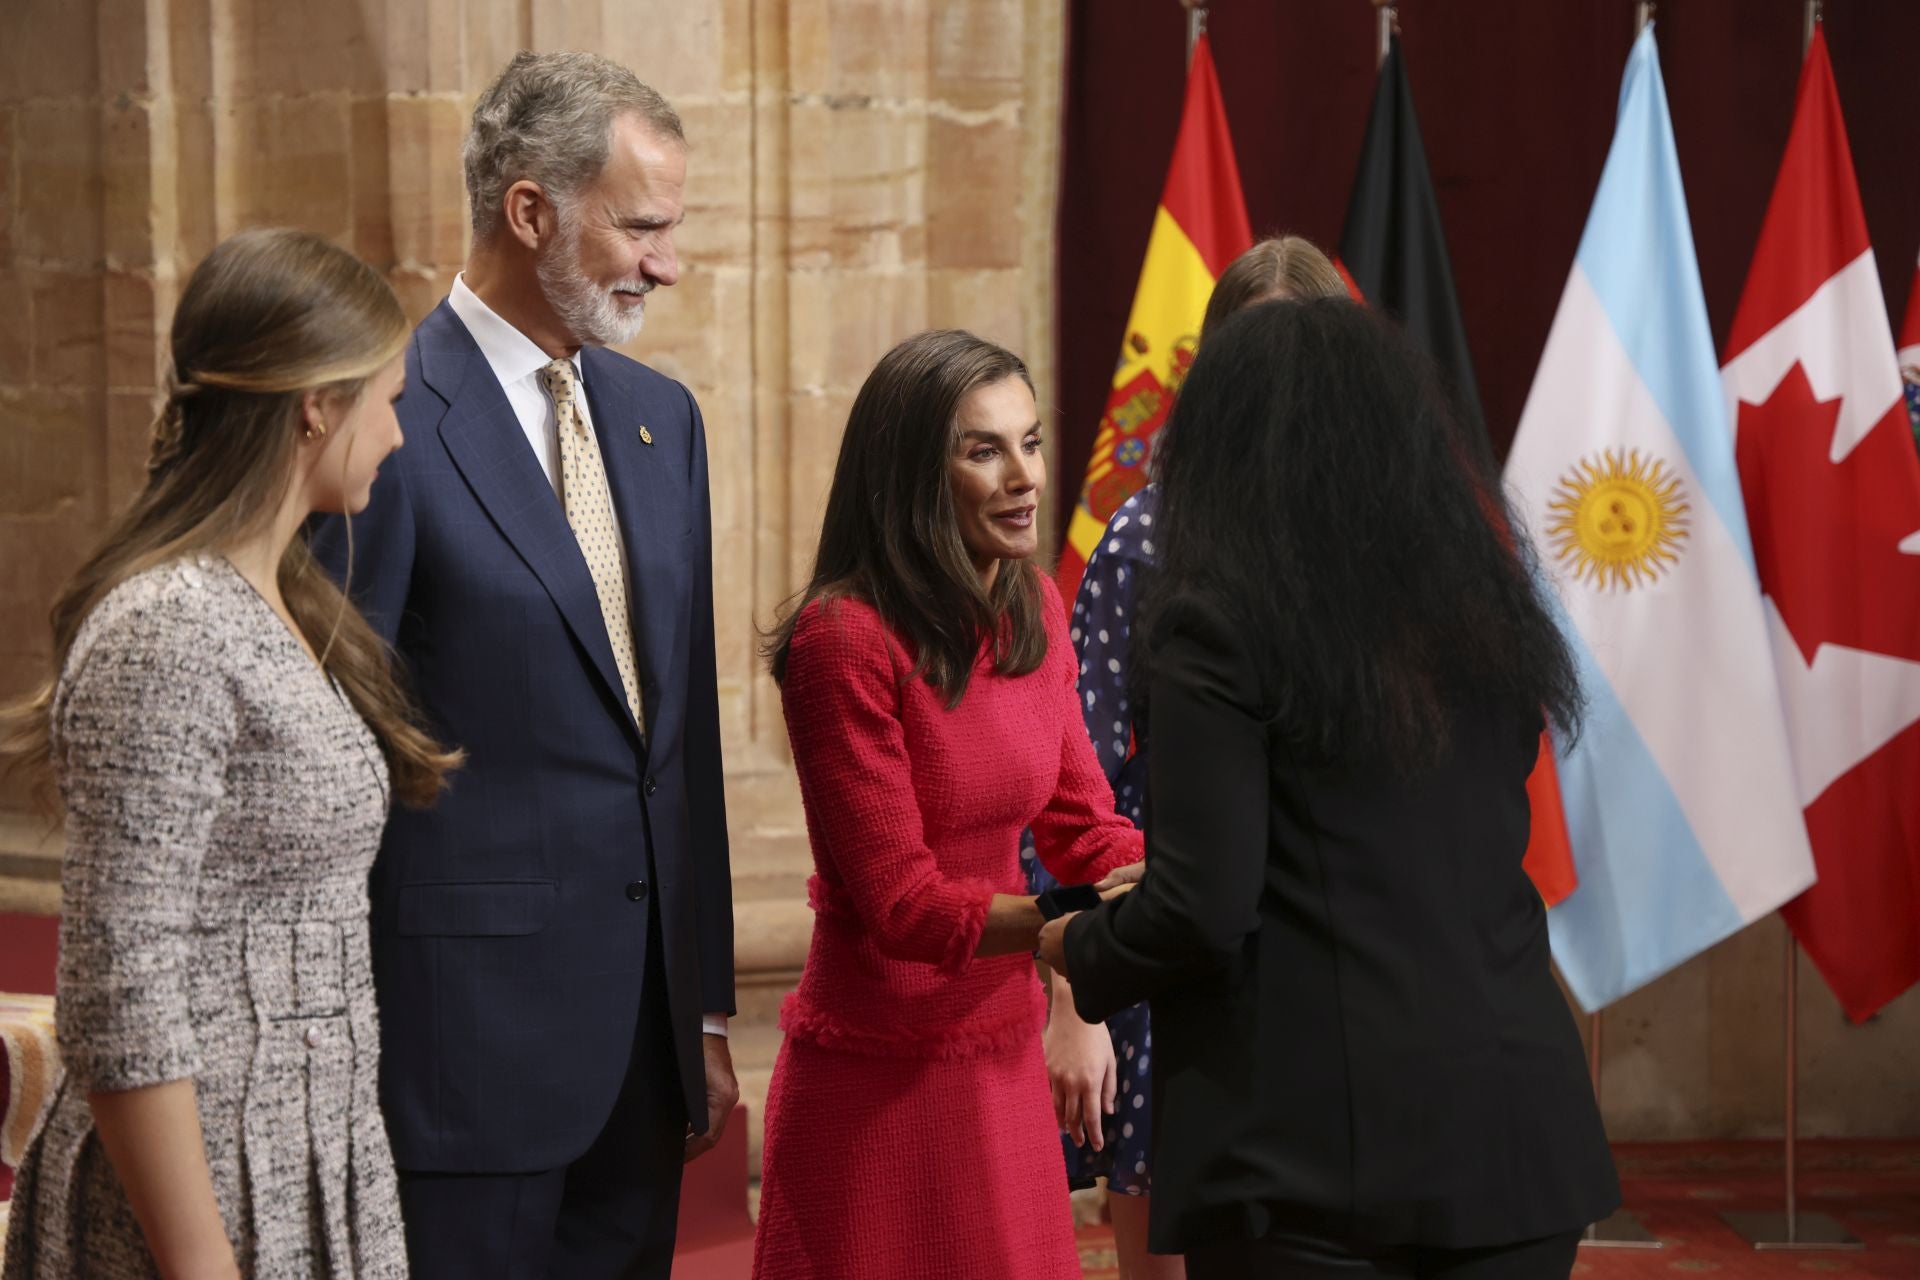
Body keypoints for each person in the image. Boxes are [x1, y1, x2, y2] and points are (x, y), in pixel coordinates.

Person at [1040, 299, 1621, 1279]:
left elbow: (1203, 905)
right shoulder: (1480, 605)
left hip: (1310, 1161)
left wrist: (1076, 948)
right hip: (1518, 1138)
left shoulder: (1217, 620)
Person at [309, 51, 735, 1278]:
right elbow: (350, 750)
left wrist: (700, 1008)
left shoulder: (667, 421)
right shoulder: (383, 417)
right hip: (463, 1059)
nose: (668, 262)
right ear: (531, 210)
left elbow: (680, 735)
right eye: (643, 227)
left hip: (644, 1058)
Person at [0, 228, 459, 1278]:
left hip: (306, 1150)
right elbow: (120, 986)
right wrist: (200, 1260)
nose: (397, 434)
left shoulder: (281, 594)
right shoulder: (166, 625)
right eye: (385, 400)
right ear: (314, 406)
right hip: (199, 1181)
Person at [754, 330, 1145, 1280]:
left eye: (1033, 442)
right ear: (912, 474)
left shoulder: (1033, 606)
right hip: (876, 1083)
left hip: (1002, 1063)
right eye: (984, 450)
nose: (1025, 478)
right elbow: (901, 904)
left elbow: (1081, 819)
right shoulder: (841, 638)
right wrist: (1075, 922)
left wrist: (1173, 875)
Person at [1025, 234, 1349, 1280]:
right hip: (1176, 962)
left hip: (1337, 973)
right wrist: (1078, 992)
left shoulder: (1380, 538)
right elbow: (1081, 783)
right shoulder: (1150, 539)